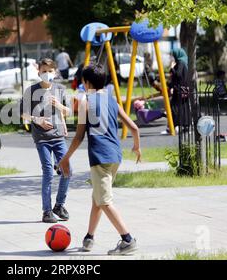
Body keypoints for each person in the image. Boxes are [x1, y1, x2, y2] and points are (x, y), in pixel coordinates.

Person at [59, 64, 141, 256]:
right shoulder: (113, 101)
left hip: (99, 157)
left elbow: (78, 137)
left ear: (87, 83)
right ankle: (89, 238)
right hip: (115, 157)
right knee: (97, 198)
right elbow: (134, 127)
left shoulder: (86, 103)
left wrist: (65, 159)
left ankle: (127, 240)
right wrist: (136, 146)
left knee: (104, 201)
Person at [21, 58, 71, 223]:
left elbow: (68, 112)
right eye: (44, 71)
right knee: (48, 172)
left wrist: (60, 106)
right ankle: (46, 211)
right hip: (42, 138)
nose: (47, 74)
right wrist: (38, 120)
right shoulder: (31, 91)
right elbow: (24, 115)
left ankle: (59, 205)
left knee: (67, 171)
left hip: (58, 137)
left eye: (50, 71)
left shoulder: (61, 89)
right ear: (39, 72)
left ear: (55, 72)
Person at [162, 48, 190, 135]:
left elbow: (178, 74)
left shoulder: (181, 63)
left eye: (173, 55)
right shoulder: (181, 63)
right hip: (180, 89)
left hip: (180, 90)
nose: (172, 57)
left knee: (174, 107)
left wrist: (172, 68)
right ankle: (183, 126)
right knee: (181, 107)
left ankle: (173, 126)